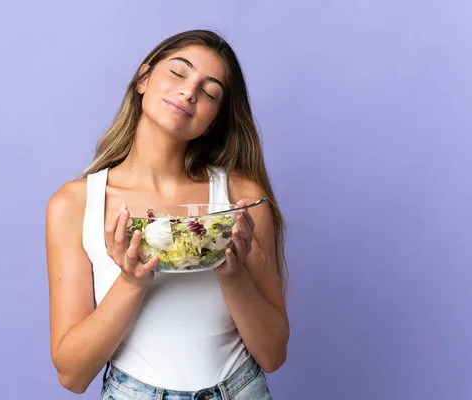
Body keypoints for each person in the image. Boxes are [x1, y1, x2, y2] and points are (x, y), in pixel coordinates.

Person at [45, 29, 290, 400]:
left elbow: (273, 355)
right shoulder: (75, 204)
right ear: (143, 79)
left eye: (209, 92)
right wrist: (131, 282)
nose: (190, 91)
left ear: (212, 120)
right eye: (178, 72)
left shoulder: (241, 200)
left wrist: (233, 273)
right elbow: (72, 375)